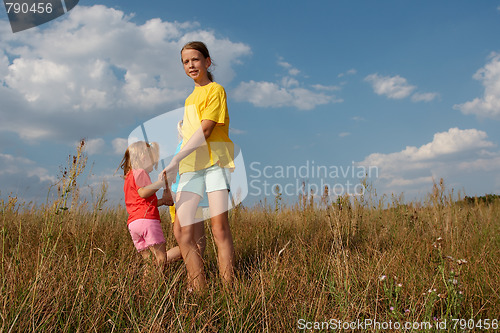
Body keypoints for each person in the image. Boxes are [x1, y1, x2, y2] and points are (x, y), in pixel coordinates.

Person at [161, 41, 235, 291]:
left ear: (207, 62)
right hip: (190, 167)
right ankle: (199, 288)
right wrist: (176, 158)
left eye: (195, 59)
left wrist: (174, 160)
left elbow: (205, 129)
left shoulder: (216, 90)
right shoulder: (189, 99)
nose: (191, 65)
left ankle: (228, 289)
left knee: (218, 227)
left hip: (215, 163)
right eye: (185, 61)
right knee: (183, 231)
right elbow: (190, 135)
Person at [118, 141, 181, 275]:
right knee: (161, 258)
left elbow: (142, 201)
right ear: (143, 158)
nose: (154, 164)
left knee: (149, 261)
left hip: (134, 224)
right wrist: (162, 182)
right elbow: (143, 192)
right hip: (147, 221)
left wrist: (162, 201)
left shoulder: (129, 177)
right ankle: (156, 286)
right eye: (153, 160)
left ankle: (146, 288)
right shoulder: (140, 172)